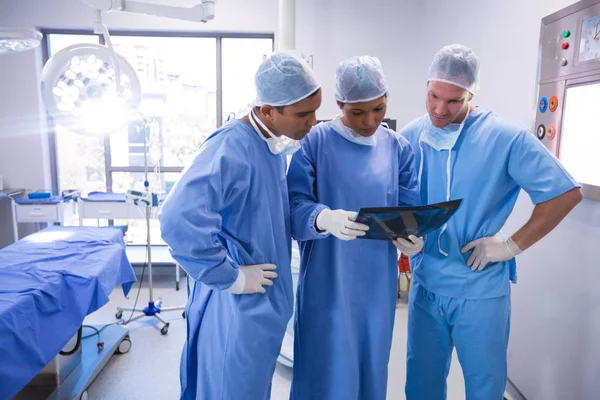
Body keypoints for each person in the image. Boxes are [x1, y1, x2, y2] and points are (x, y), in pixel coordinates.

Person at [399, 44, 583, 400]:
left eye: (453, 101)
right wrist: (401, 233)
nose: (439, 109)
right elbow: (395, 199)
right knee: (421, 384)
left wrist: (512, 245)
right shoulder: (411, 136)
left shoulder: (503, 137)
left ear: (472, 93)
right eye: (433, 96)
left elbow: (565, 193)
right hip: (427, 285)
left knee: (484, 386)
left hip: (479, 289)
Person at [159, 51, 322, 400]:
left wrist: (322, 220)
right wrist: (229, 276)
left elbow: (267, 216)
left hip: (259, 305)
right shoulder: (232, 146)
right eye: (303, 114)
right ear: (267, 110)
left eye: (315, 110)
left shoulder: (270, 147)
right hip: (237, 305)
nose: (313, 122)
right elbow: (178, 218)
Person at [287, 55, 422, 400]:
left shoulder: (397, 147)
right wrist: (323, 218)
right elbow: (294, 204)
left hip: (376, 281)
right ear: (338, 104)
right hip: (326, 280)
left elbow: (408, 206)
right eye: (357, 112)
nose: (370, 120)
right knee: (325, 363)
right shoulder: (314, 142)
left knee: (370, 362)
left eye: (378, 109)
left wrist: (411, 234)